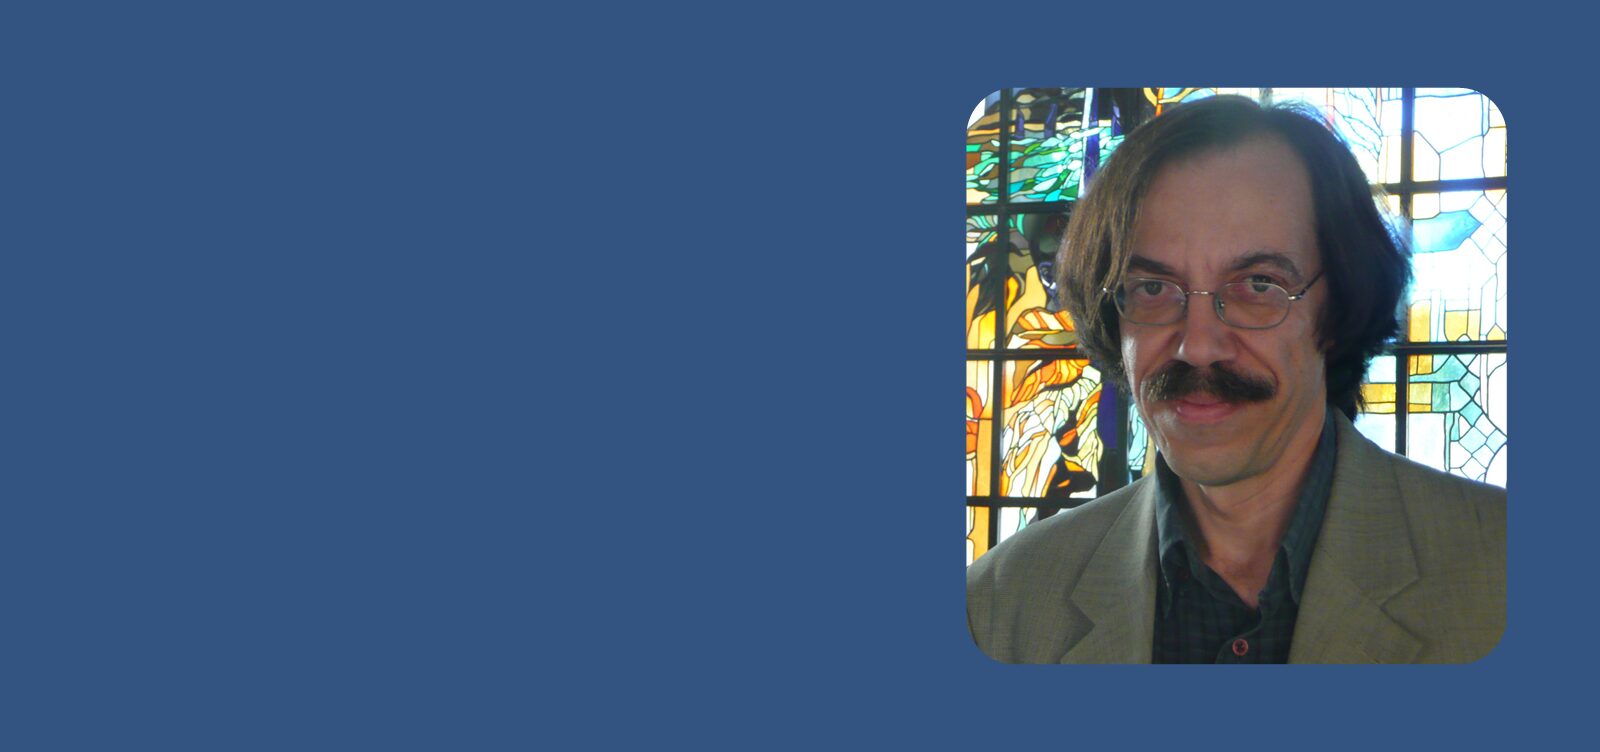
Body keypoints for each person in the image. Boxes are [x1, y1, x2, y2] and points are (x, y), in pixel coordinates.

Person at [966, 95, 1506, 664]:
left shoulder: (1502, 572)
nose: (1197, 345)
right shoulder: (998, 609)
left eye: (1258, 285)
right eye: (1153, 288)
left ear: (1343, 303)